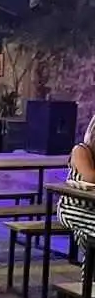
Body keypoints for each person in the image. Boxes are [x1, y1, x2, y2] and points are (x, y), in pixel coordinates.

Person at [58, 115, 95, 276]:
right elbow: (91, 177)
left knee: (87, 235)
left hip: (92, 208)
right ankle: (89, 281)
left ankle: (88, 280)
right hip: (73, 207)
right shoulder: (81, 150)